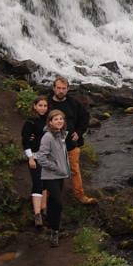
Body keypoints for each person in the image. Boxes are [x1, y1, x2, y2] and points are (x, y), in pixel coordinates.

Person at [47, 76, 96, 205]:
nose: (61, 91)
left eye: (63, 88)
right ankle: (52, 198)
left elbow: (85, 117)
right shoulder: (47, 103)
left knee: (74, 170)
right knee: (53, 171)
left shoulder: (73, 103)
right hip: (52, 145)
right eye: (58, 88)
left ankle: (80, 195)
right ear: (53, 88)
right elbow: (39, 120)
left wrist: (79, 132)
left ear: (68, 89)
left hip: (71, 144)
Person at [35, 109, 70, 247]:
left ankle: (53, 228)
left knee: (54, 203)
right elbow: (40, 157)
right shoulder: (48, 137)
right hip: (50, 176)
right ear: (50, 122)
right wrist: (55, 167)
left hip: (60, 175)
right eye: (56, 119)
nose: (59, 121)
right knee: (58, 203)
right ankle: (54, 231)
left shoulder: (61, 134)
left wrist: (63, 168)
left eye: (61, 119)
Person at [21, 95, 49, 228]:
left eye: (45, 106)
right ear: (34, 106)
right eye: (40, 105)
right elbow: (25, 141)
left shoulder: (48, 120)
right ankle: (37, 214)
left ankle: (44, 209)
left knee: (45, 183)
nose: (43, 108)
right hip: (35, 156)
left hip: (47, 157)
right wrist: (30, 157)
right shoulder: (30, 122)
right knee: (37, 182)